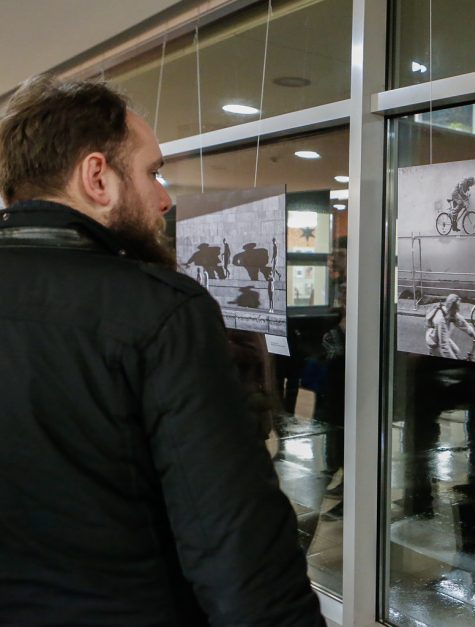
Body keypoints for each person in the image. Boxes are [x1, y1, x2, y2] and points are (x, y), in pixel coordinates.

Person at [0, 76, 323, 625]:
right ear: (97, 178)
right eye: (152, 172)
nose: (165, 198)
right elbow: (233, 541)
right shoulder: (162, 311)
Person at [425, 293, 475, 359]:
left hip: (441, 337)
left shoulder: (450, 312)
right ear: (451, 307)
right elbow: (444, 347)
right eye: (456, 308)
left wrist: (473, 334)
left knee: (456, 351)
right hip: (434, 343)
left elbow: (461, 322)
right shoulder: (441, 320)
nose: (458, 310)